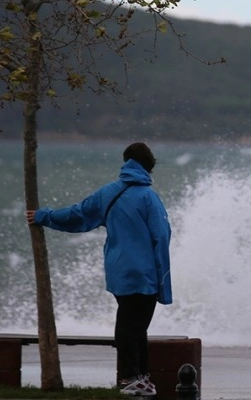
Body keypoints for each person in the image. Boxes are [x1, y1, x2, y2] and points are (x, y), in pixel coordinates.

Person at [26, 142, 172, 396]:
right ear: (149, 166)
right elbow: (162, 237)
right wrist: (164, 282)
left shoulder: (108, 192)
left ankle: (138, 377)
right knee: (133, 327)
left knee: (132, 324)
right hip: (143, 273)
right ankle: (131, 380)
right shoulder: (148, 197)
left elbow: (77, 214)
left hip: (118, 271)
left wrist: (44, 216)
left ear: (126, 162)